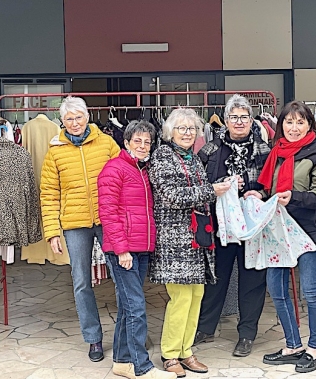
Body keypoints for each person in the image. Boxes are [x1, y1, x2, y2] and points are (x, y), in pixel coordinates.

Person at [149, 108, 231, 377]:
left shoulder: (194, 159)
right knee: (181, 297)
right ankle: (170, 354)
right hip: (175, 241)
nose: (187, 133)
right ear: (170, 132)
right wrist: (211, 191)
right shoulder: (162, 157)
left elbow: (197, 192)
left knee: (196, 296)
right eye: (182, 128)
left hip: (196, 239)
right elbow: (173, 195)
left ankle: (186, 351)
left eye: (192, 128)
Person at [41, 96, 120, 362]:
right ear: (61, 121)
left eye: (78, 117)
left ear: (87, 116)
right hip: (74, 224)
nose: (74, 123)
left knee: (123, 276)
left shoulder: (107, 143)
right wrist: (52, 231)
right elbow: (49, 193)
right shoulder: (55, 151)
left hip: (108, 219)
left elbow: (124, 179)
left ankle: (128, 330)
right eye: (69, 119)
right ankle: (93, 339)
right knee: (81, 281)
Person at [257, 101, 316, 373]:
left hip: (308, 232)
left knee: (310, 291)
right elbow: (268, 187)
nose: (294, 128)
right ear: (281, 126)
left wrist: (294, 198)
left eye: (300, 122)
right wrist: (257, 193)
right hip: (278, 232)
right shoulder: (276, 152)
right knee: (276, 288)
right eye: (289, 122)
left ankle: (315, 348)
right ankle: (293, 345)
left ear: (310, 125)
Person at [98, 120, 176, 379]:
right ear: (127, 142)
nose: (143, 146)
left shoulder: (143, 170)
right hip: (123, 250)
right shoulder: (114, 169)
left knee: (127, 307)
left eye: (147, 142)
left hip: (141, 247)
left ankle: (121, 361)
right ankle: (141, 367)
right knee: (136, 307)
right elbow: (108, 213)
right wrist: (121, 250)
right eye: (138, 141)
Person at [194, 94, 271, 357]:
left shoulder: (264, 150)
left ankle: (247, 334)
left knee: (252, 280)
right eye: (234, 117)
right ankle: (206, 327)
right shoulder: (210, 150)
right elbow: (199, 186)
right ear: (225, 121)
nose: (239, 122)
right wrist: (222, 186)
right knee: (216, 278)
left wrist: (258, 192)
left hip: (253, 228)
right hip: (220, 227)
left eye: (244, 117)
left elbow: (273, 185)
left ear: (252, 120)